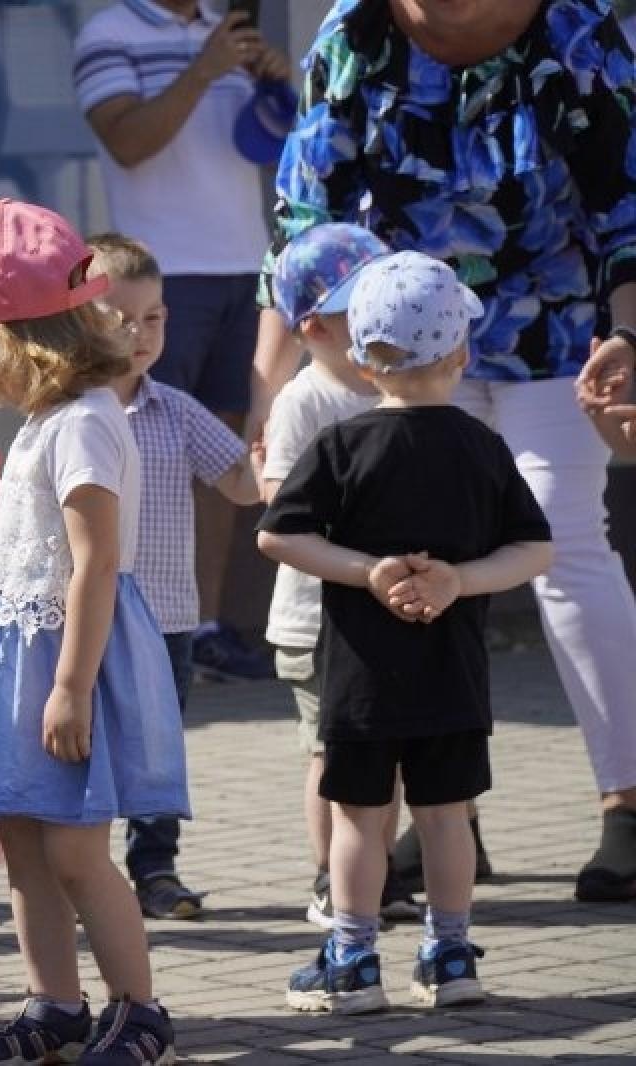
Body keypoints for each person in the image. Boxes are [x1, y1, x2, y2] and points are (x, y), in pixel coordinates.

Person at [252, 0, 636, 903]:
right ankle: (446, 810)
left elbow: (626, 202)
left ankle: (628, 805)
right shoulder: (356, 34)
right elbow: (302, 225)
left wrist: (628, 338)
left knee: (565, 550)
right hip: (404, 350)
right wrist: (271, 388)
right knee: (421, 557)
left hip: (561, 337)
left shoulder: (574, 29)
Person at [0, 200, 187, 1066]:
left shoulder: (81, 424)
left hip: (65, 658)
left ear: (16, 338)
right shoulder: (48, 421)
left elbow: (94, 562)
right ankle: (55, 1007)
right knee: (26, 854)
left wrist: (71, 685)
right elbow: (25, 551)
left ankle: (141, 1010)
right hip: (20, 654)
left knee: (76, 854)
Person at [258, 252, 553, 1015]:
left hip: (360, 675)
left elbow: (279, 536)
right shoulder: (481, 447)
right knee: (446, 815)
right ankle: (450, 956)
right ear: (461, 355)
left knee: (361, 818)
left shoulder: (341, 447)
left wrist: (367, 571)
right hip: (451, 671)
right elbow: (535, 547)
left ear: (359, 357)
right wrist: (459, 579)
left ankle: (353, 961)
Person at [73, 0, 289, 683]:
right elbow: (129, 141)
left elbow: (273, 147)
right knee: (144, 446)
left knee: (220, 446)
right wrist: (205, 69)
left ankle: (207, 629)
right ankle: (135, 623)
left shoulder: (221, 30)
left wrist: (277, 88)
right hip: (159, 275)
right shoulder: (108, 34)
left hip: (246, 266)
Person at [258, 223, 429, 931]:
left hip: (385, 611)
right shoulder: (307, 400)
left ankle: (375, 874)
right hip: (315, 620)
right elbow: (278, 498)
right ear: (314, 325)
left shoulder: (391, 391)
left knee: (381, 755)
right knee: (332, 755)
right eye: (356, 308)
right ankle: (331, 877)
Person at [86, 233, 260, 922]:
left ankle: (155, 868)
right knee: (90, 744)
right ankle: (82, 868)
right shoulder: (69, 414)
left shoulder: (178, 411)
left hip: (166, 619)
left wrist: (280, 451)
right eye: (120, 318)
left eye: (153, 317)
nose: (139, 333)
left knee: (156, 749)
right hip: (89, 615)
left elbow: (243, 483)